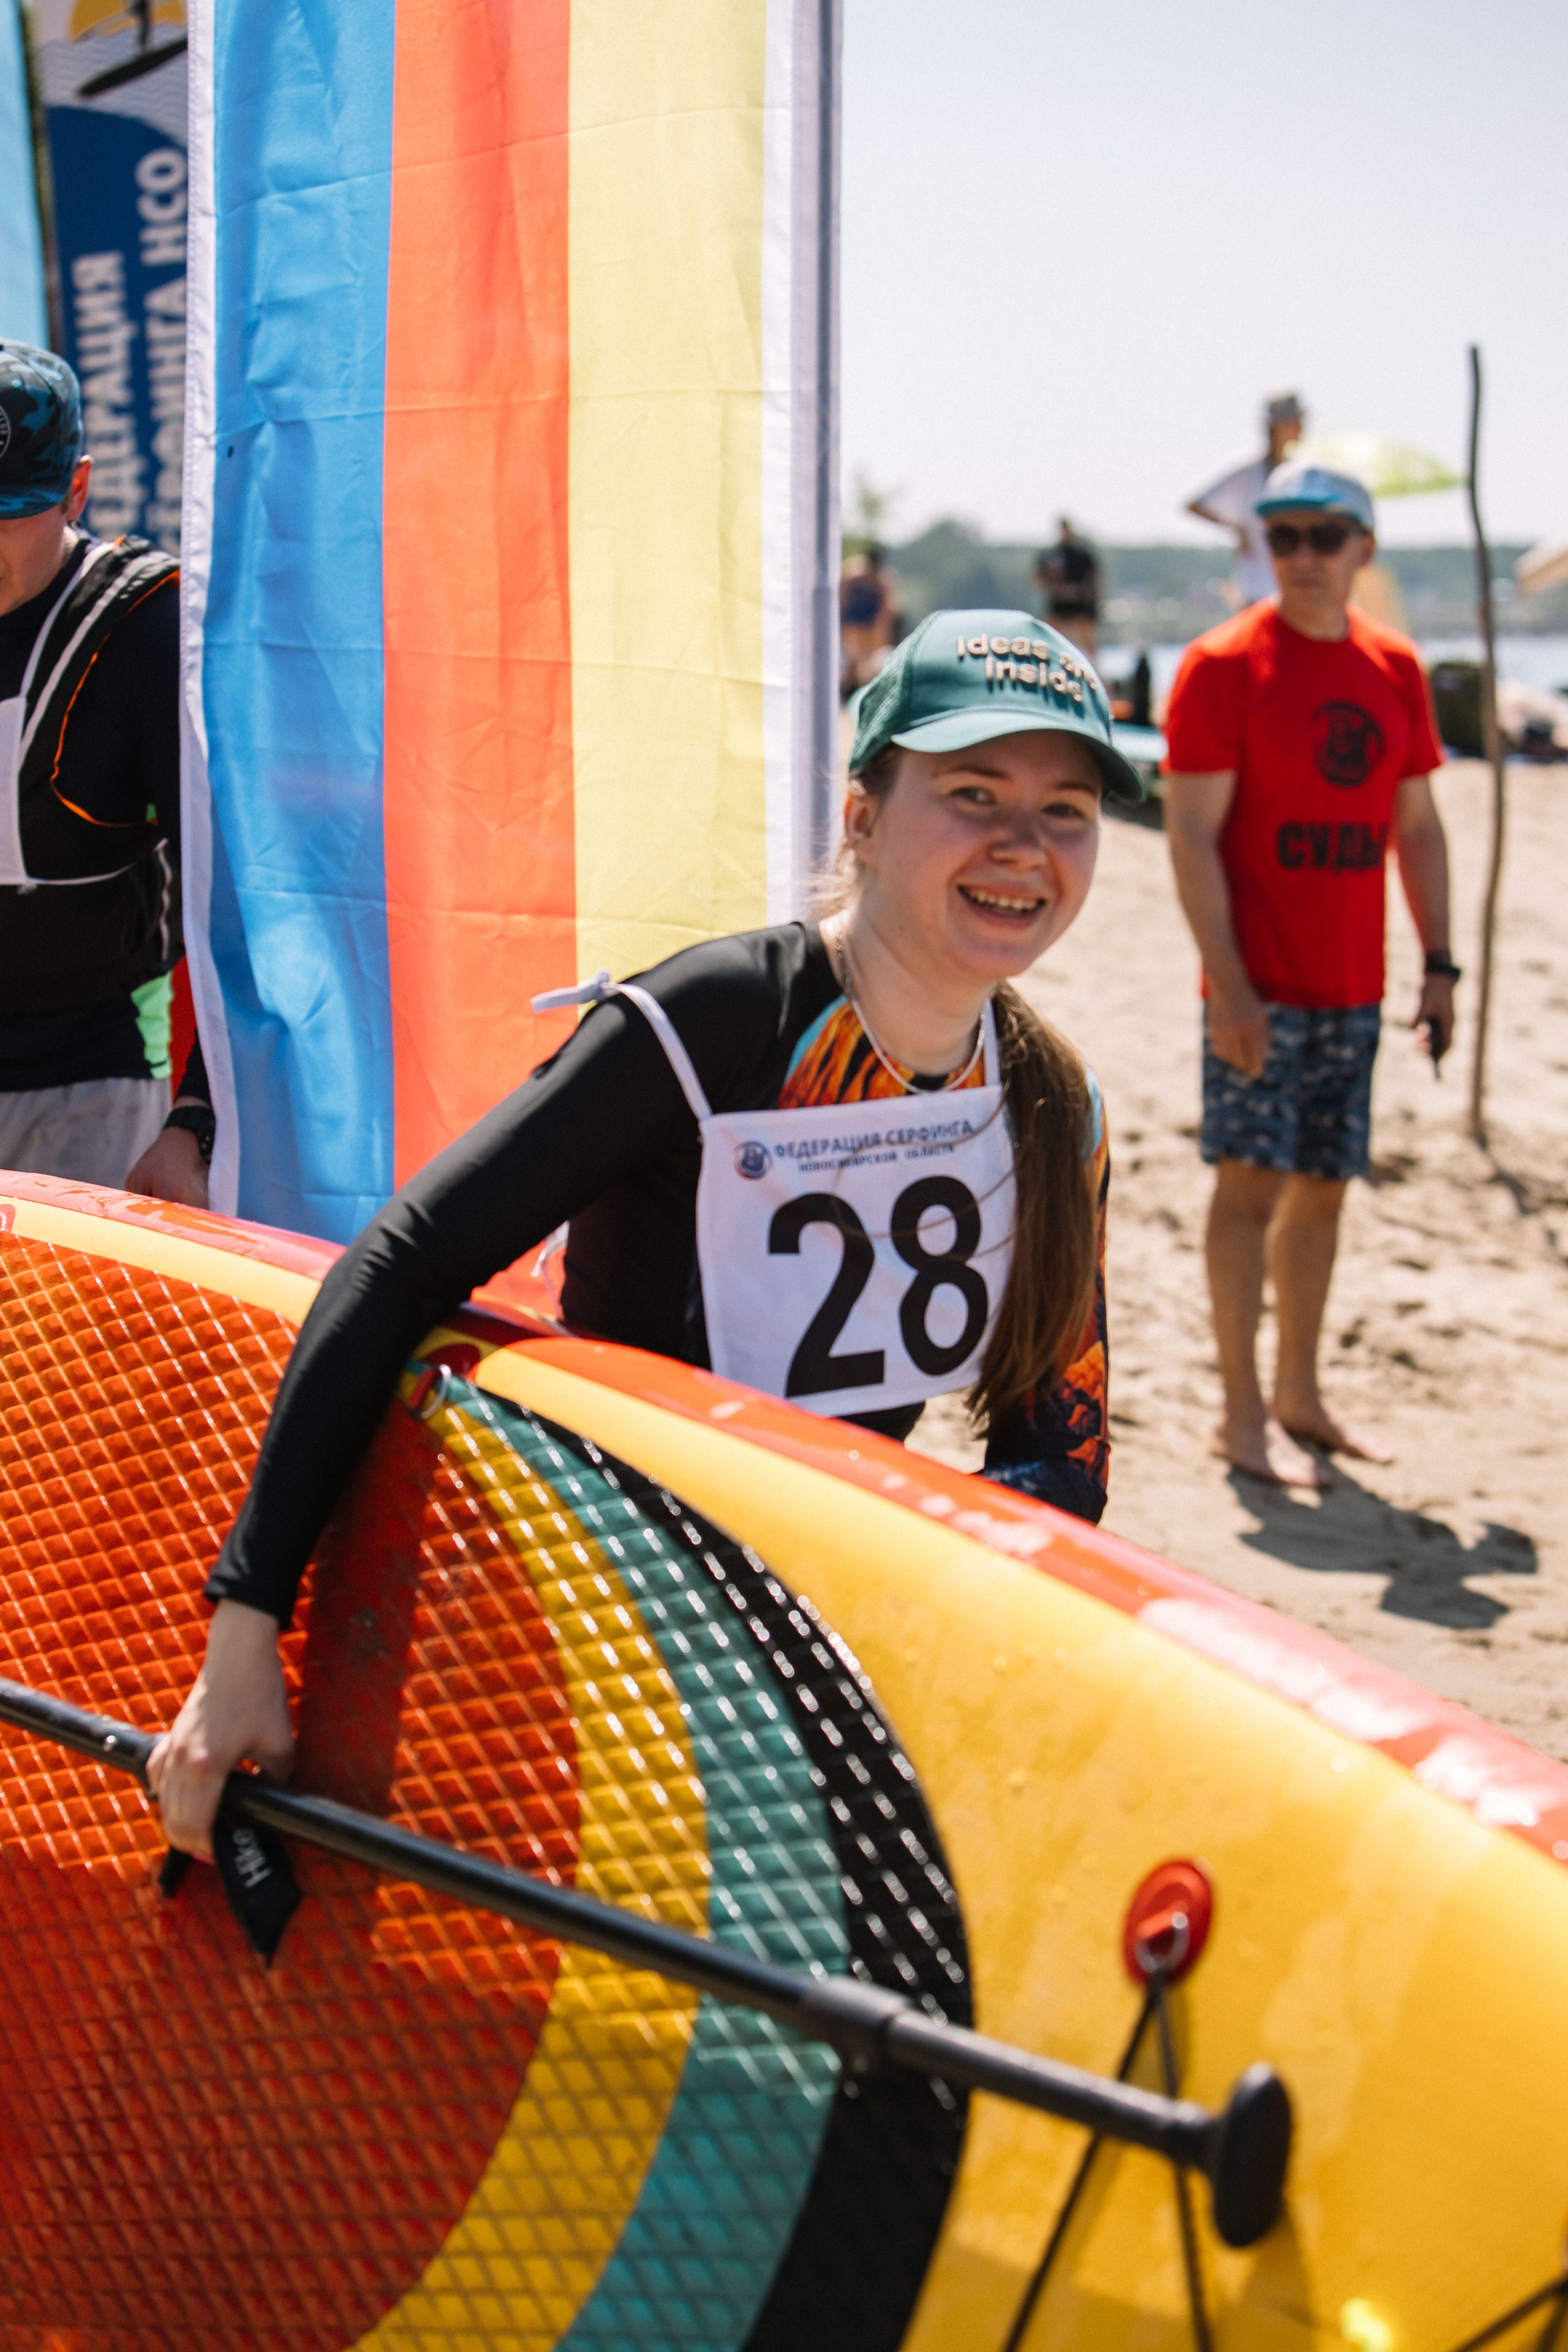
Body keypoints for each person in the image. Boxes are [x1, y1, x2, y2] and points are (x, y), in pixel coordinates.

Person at [148, 608, 1148, 1855]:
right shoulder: (716, 1019)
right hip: (588, 1621)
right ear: (861, 816)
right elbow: (403, 1261)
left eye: (1066, 811)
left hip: (811, 1644)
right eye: (972, 793)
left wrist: (896, 1595)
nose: (1023, 846)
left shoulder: (1051, 1108)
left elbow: (1060, 1455)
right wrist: (245, 1623)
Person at [1163, 461, 1456, 1488]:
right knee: (1248, 1188)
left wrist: (1440, 965)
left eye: (1324, 536)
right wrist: (1229, 985)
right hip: (1258, 987)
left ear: (1364, 548)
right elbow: (1190, 837)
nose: (1301, 555)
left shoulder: (1395, 666)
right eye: (1281, 535)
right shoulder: (1222, 666)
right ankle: (1239, 1416)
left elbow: (1418, 826)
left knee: (1325, 1191)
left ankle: (1301, 1395)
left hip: (1353, 987)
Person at [0, 339, 192, 1184]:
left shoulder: (141, 628)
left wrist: (196, 1121)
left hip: (95, 1085)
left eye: (7, 513)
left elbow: (239, 904)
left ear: (75, 490)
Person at [1186, 392, 1305, 611]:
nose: (1301, 426)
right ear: (1275, 426)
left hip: (1292, 587)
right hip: (1255, 586)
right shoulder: (1248, 474)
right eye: (1294, 420)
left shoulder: (1301, 471)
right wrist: (1236, 528)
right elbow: (1195, 505)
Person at [1032, 518, 1100, 658]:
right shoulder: (1052, 554)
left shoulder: (1082, 555)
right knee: (1051, 647)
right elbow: (1037, 580)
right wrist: (1056, 584)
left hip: (1080, 608)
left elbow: (1094, 581)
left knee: (1090, 651)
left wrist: (1094, 607)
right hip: (1058, 608)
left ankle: (1095, 671)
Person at [839, 543, 900, 696]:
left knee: (869, 663)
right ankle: (850, 691)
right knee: (853, 661)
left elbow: (886, 609)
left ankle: (864, 692)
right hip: (854, 624)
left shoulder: (883, 579)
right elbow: (842, 597)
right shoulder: (853, 571)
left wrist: (882, 631)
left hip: (870, 627)